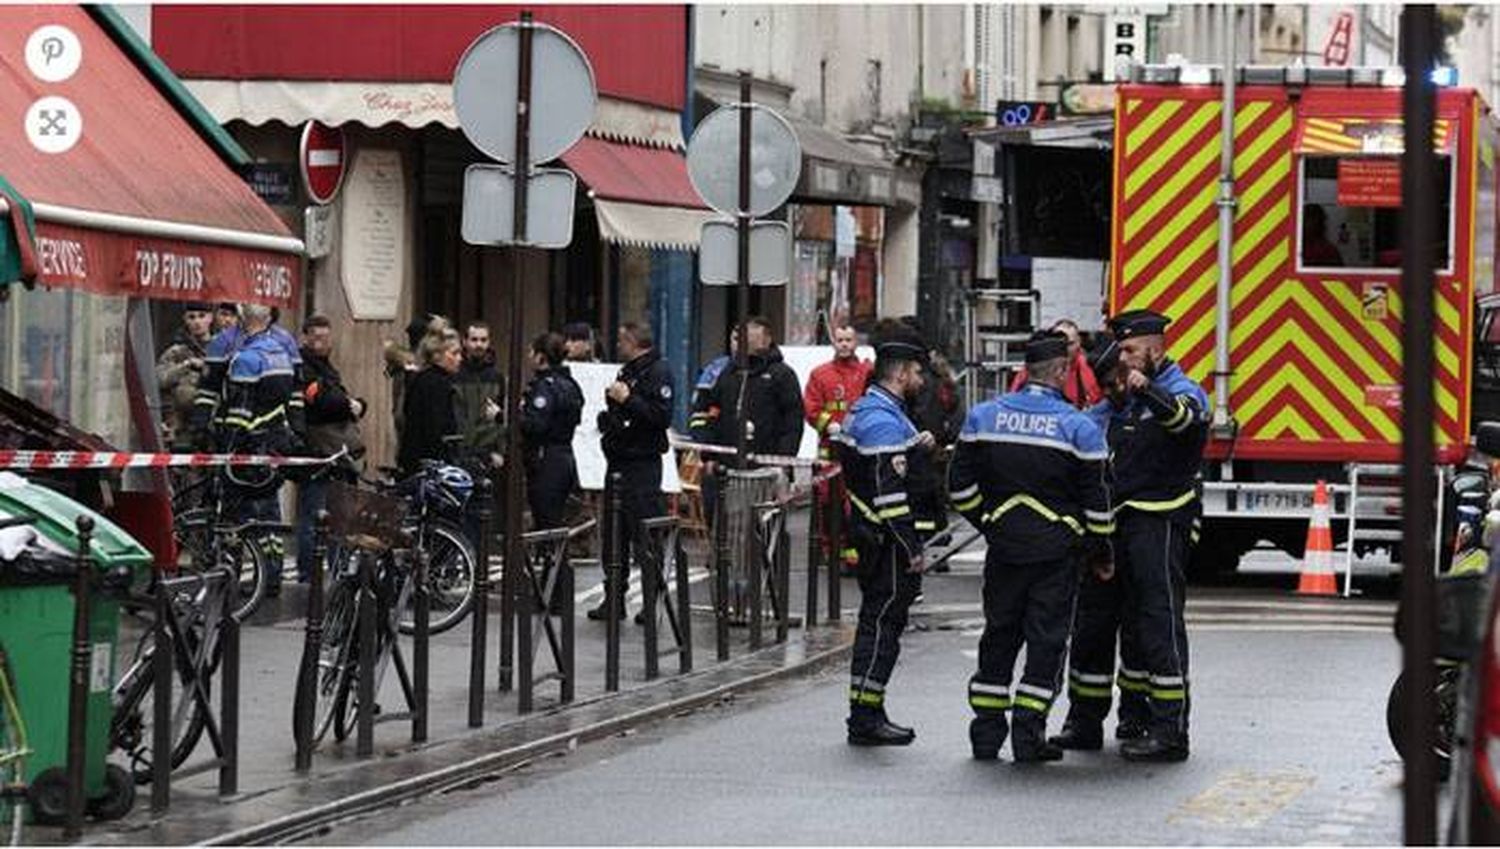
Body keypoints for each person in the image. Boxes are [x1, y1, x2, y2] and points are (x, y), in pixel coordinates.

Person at [947, 331, 1113, 763]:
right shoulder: (1080, 428)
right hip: (1056, 556)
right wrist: (1099, 551)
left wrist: (988, 521)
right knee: (1046, 643)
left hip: (1004, 550)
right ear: (1060, 371)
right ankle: (1028, 735)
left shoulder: (983, 418)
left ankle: (985, 736)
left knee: (998, 638)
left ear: (1025, 370)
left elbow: (958, 488)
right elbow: (1098, 504)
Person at [1105, 308, 1209, 763]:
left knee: (1160, 621)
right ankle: (1134, 714)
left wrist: (1149, 391)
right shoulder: (1126, 397)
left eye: (1129, 349)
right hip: (1125, 520)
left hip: (1161, 522)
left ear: (1154, 347)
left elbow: (1185, 419)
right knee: (1131, 622)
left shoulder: (1181, 390)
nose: (1123, 358)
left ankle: (1171, 730)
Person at [1050, 332, 1152, 752]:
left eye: (1119, 376)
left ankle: (1135, 714)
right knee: (1091, 632)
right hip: (1099, 541)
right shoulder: (1092, 421)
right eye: (1106, 380)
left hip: (1142, 537)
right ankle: (1084, 720)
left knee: (1140, 634)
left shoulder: (1155, 411)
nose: (1114, 387)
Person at [833, 318, 931, 746]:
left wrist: (917, 445)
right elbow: (890, 494)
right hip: (887, 544)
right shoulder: (884, 422)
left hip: (873, 537)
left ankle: (869, 709)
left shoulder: (874, 411)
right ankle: (865, 717)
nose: (921, 380)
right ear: (902, 372)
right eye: (918, 372)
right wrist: (912, 548)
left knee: (879, 625)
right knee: (881, 628)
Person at [196, 303, 300, 595]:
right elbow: (290, 397)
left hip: (247, 446)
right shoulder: (279, 351)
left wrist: (225, 443)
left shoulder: (245, 357)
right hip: (274, 443)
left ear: (242, 320)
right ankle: (272, 575)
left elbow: (239, 409)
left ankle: (231, 574)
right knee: (269, 513)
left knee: (237, 514)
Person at [592, 322, 673, 621]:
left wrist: (628, 400)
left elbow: (660, 416)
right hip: (618, 460)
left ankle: (651, 603)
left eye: (621, 340)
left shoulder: (658, 371)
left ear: (633, 341)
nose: (617, 345)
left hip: (642, 463)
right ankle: (613, 598)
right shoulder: (628, 370)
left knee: (644, 534)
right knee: (614, 533)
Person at [297, 314, 365, 583]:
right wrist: (351, 404)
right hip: (318, 451)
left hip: (335, 453)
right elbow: (321, 403)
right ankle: (308, 573)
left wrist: (354, 403)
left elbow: (336, 398)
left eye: (326, 337)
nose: (322, 342)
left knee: (337, 516)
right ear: (305, 337)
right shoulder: (304, 367)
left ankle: (335, 567)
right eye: (316, 337)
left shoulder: (327, 368)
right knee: (315, 515)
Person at [802, 323, 870, 573]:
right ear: (834, 343)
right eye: (840, 340)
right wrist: (827, 424)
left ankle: (855, 554)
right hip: (830, 450)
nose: (844, 344)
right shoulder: (821, 374)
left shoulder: (866, 373)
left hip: (860, 447)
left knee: (857, 502)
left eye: (848, 340)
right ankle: (832, 552)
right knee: (829, 502)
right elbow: (810, 408)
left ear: (856, 343)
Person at [688, 316, 803, 460]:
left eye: (749, 338)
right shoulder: (726, 373)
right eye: (737, 339)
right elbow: (708, 411)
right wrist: (708, 455)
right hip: (725, 463)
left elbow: (793, 423)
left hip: (768, 464)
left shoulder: (782, 375)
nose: (741, 344)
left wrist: (783, 460)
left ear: (767, 340)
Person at [520, 332, 584, 530]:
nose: (529, 357)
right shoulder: (571, 384)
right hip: (565, 455)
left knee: (547, 521)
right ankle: (555, 560)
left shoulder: (545, 387)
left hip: (546, 458)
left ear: (542, 357)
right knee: (554, 520)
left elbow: (536, 425)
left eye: (532, 352)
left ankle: (556, 561)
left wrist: (507, 416)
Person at [398, 333, 462, 477]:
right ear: (437, 356)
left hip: (415, 461)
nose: (460, 358)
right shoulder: (438, 384)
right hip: (430, 466)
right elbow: (436, 430)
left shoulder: (422, 379)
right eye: (454, 353)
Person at [156, 302, 214, 450]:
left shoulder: (220, 348)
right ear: (185, 320)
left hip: (212, 420)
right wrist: (186, 365)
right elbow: (160, 379)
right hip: (182, 422)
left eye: (202, 316)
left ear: (210, 318)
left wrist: (207, 368)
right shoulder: (176, 351)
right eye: (192, 317)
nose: (197, 322)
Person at [1009, 319, 1103, 408]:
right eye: (1060, 344)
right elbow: (1014, 397)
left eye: (1070, 344)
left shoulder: (1087, 366)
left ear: (1079, 342)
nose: (1065, 349)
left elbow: (1095, 402)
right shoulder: (1036, 365)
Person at [454, 320, 505, 471]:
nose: (479, 345)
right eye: (474, 339)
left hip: (487, 452)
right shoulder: (455, 374)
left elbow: (501, 416)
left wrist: (499, 450)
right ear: (465, 342)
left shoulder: (496, 376)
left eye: (483, 340)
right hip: (459, 448)